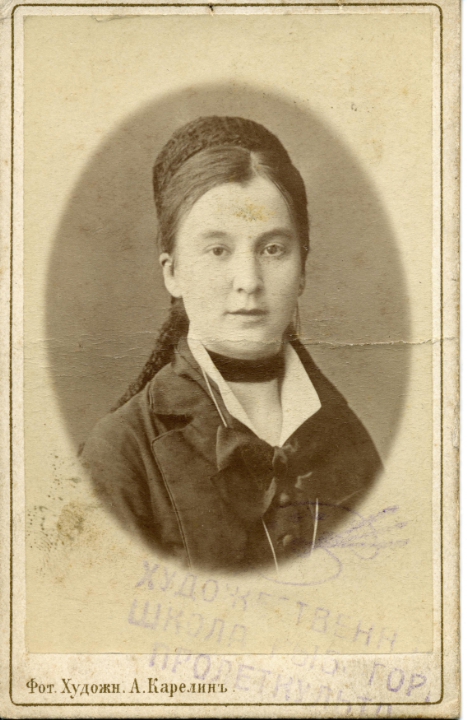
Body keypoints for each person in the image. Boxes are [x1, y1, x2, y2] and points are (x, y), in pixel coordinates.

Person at [81, 115, 382, 573]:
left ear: (302, 269)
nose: (248, 282)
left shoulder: (346, 436)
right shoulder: (121, 453)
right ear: (173, 273)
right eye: (218, 250)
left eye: (272, 249)